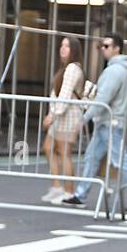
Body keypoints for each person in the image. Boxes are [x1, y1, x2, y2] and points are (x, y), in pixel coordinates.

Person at [63, 32, 127, 212]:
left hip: (110, 123)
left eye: (107, 46)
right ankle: (80, 194)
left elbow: (103, 99)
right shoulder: (120, 70)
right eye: (102, 46)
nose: (103, 49)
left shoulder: (114, 71)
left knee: (119, 160)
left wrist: (84, 118)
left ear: (117, 48)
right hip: (109, 122)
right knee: (93, 157)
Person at [41, 35, 85, 203]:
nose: (63, 48)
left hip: (68, 115)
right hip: (61, 114)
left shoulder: (73, 68)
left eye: (67, 46)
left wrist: (52, 114)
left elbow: (65, 94)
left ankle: (69, 191)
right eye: (62, 45)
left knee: (64, 152)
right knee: (49, 147)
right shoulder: (66, 68)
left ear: (74, 50)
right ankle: (57, 186)